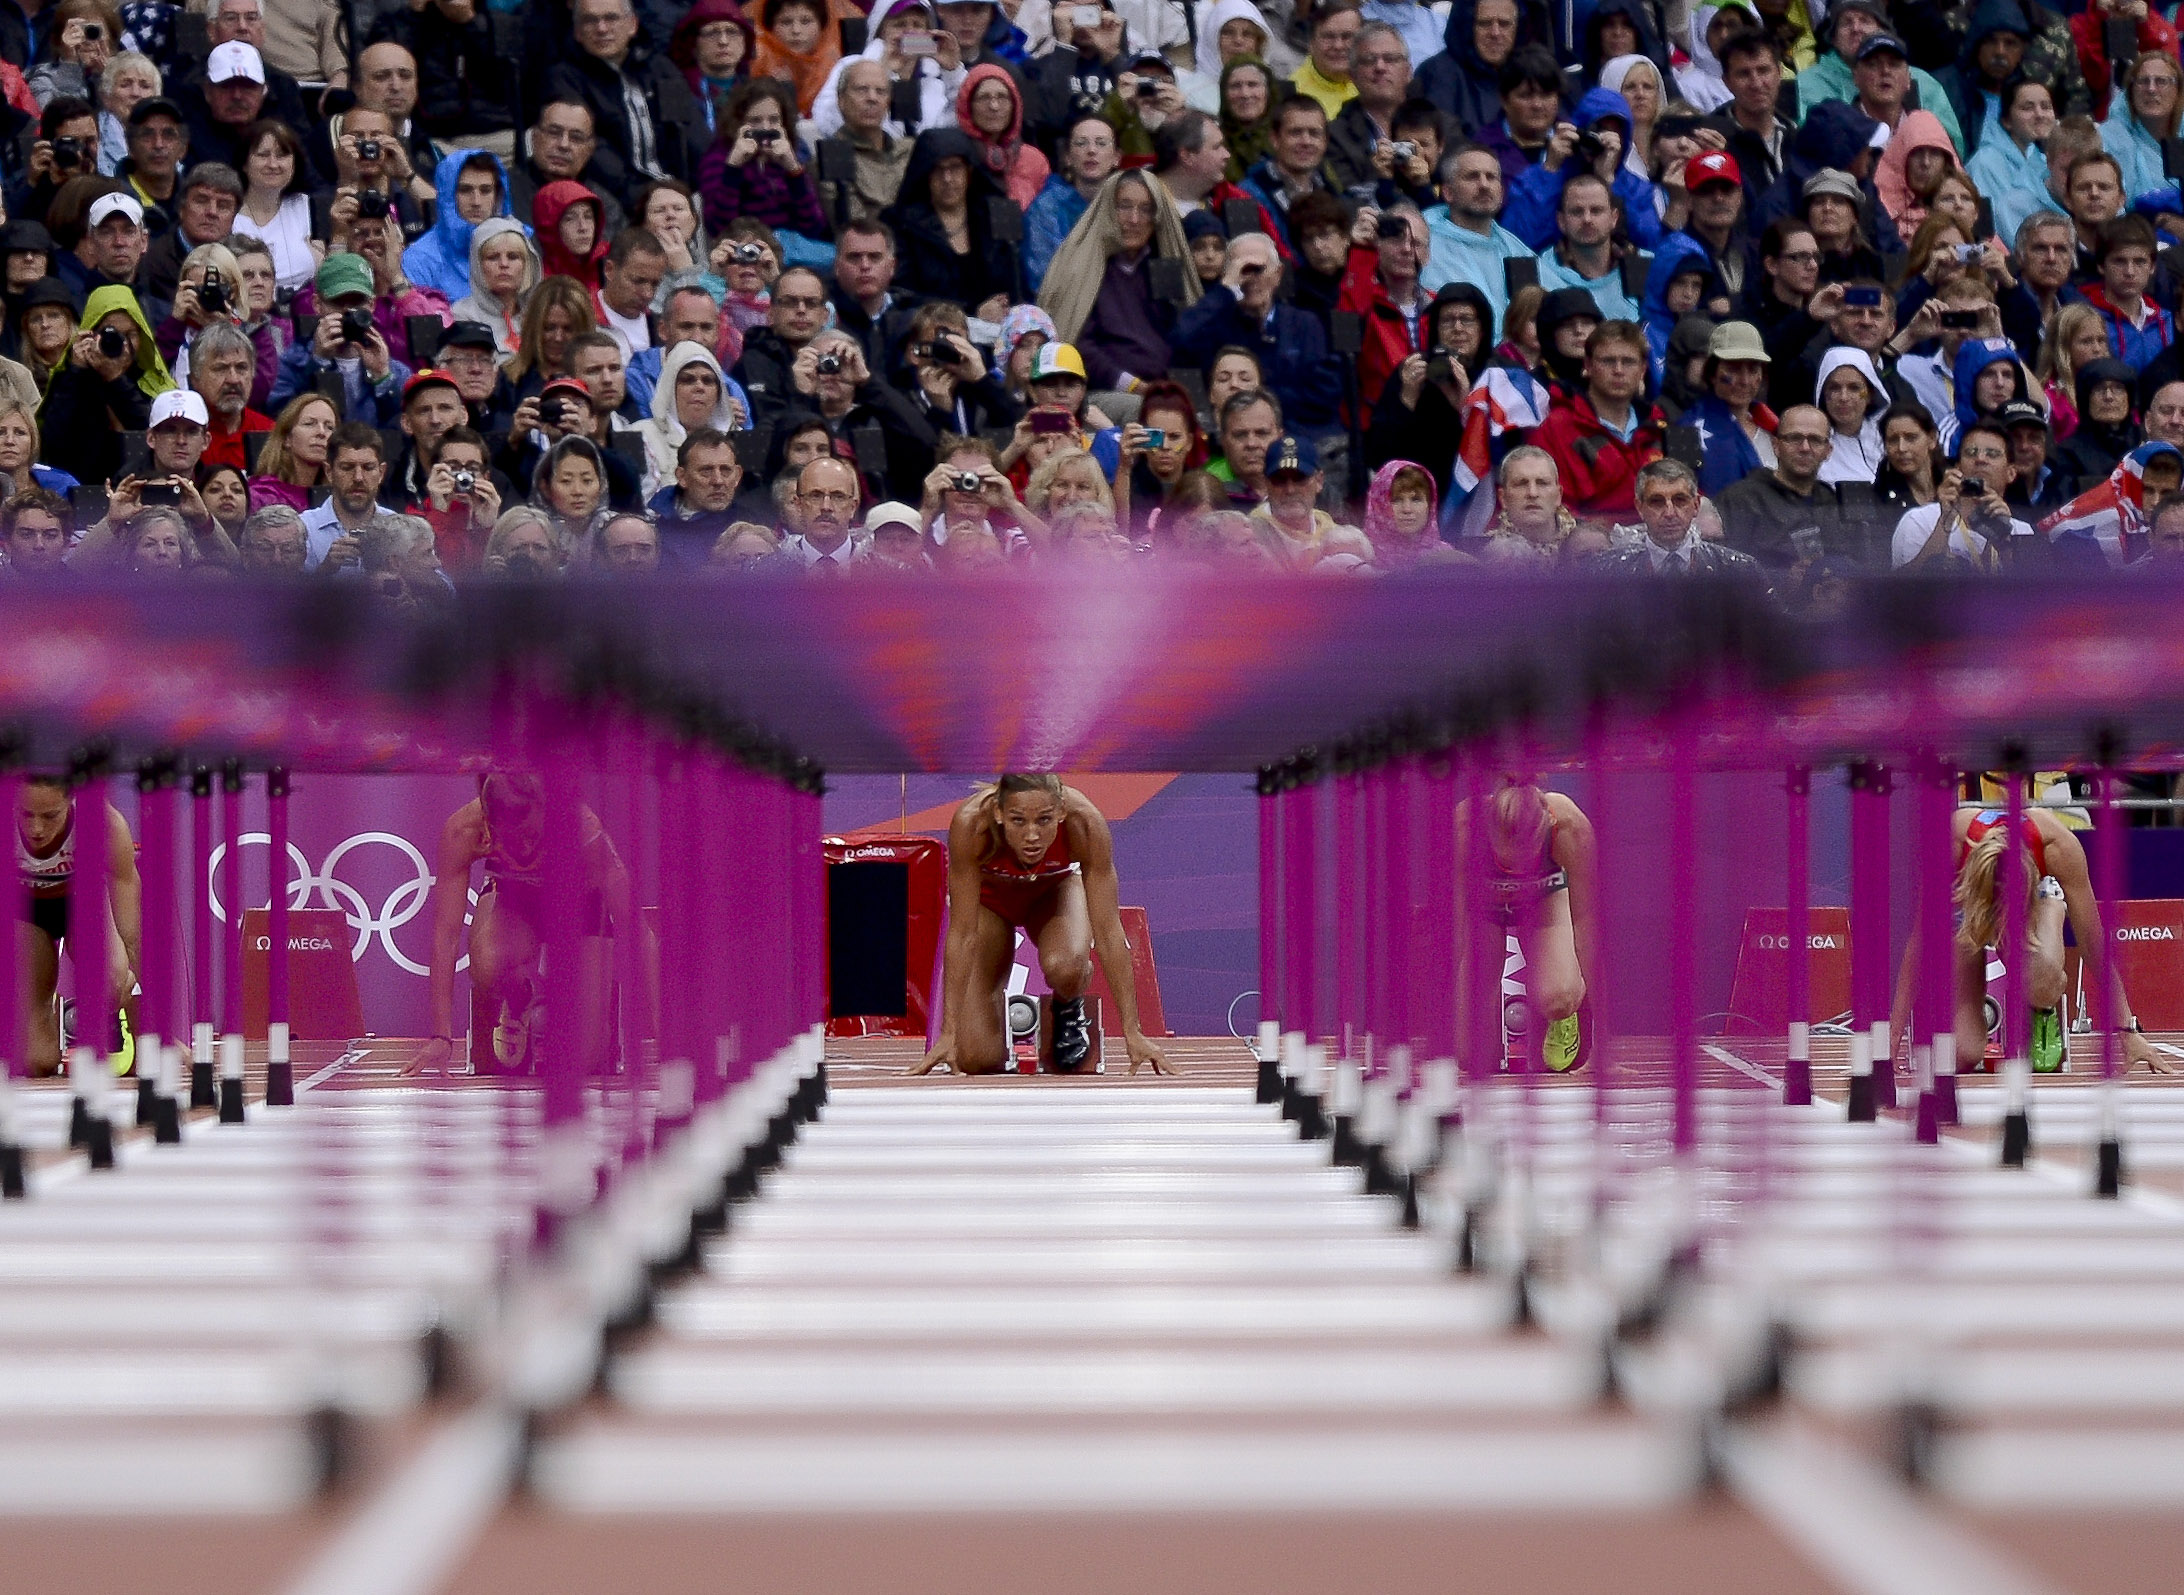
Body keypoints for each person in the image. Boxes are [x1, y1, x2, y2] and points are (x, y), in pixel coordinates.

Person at [912, 773, 1173, 1077]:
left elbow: (1109, 933)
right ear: (998, 812)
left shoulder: (1084, 823)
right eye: (1018, 821)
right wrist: (948, 1033)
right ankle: (986, 1031)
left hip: (1053, 893)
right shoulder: (972, 824)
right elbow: (962, 935)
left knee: (1068, 966)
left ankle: (1067, 1007)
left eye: (1044, 820)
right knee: (974, 1059)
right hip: (991, 903)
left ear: (1061, 811)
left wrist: (1132, 1031)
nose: (1032, 835)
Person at [1890, 801, 2164, 1079]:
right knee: (1962, 1053)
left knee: (2039, 983)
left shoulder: (2059, 847)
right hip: (1967, 906)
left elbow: (2093, 945)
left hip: (2036, 903)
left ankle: (2051, 920)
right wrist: (1892, 1038)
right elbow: (1919, 944)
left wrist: (2127, 1030)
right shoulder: (1950, 843)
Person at [410, 768, 650, 1076]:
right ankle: (521, 996)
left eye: (531, 836)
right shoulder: (465, 830)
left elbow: (638, 929)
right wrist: (441, 1036)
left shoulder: (582, 828)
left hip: (580, 906)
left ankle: (586, 1007)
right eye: (512, 840)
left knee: (585, 1059)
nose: (524, 849)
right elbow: (446, 934)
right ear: (489, 823)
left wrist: (669, 1040)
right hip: (516, 902)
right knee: (489, 963)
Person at [1453, 779, 1595, 1072]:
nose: (1517, 871)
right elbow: (1453, 927)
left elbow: (1586, 929)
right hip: (1484, 908)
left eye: (1526, 860)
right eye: (1509, 862)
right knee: (1468, 1055)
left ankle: (1566, 1012)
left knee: (1558, 997)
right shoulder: (1465, 827)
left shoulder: (1568, 827)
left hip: (1543, 900)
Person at [15, 774, 140, 1077]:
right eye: (26, 815)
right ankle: (46, 1012)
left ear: (71, 800)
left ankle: (118, 1011)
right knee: (37, 1061)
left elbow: (132, 933)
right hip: (23, 911)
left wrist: (154, 1018)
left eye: (50, 816)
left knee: (112, 975)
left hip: (81, 903)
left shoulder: (104, 824)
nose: (37, 829)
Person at [1038, 167, 1196, 398]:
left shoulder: (1163, 266)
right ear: (1108, 209)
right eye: (1124, 206)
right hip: (1102, 392)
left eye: (1146, 209)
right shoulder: (1083, 268)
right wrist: (1134, 386)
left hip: (1166, 391)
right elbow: (1080, 344)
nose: (1134, 220)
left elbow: (1182, 336)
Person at [1529, 319, 1664, 523]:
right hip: (1585, 536)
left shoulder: (1660, 426)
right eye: (1608, 361)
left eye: (1628, 362)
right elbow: (1552, 509)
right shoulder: (1556, 429)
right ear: (1588, 366)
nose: (1618, 370)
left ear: (1643, 369)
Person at [881, 126, 1016, 317]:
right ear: (925, 174)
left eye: (955, 167)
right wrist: (971, 312)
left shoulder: (997, 215)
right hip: (930, 327)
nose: (947, 178)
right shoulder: (899, 224)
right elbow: (901, 296)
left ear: (969, 170)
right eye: (938, 169)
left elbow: (1017, 285)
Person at [696, 77, 828, 243]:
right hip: (745, 248)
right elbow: (719, 228)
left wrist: (794, 171)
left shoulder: (789, 155)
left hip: (793, 250)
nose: (765, 128)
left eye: (774, 120)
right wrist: (733, 167)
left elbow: (814, 226)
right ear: (738, 122)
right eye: (755, 121)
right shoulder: (717, 158)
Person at [1591, 455, 1766, 575]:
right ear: (1639, 507)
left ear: (1696, 505)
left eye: (1680, 500)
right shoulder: (1605, 573)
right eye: (1657, 502)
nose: (1670, 513)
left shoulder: (1740, 571)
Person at [1890, 416, 2024, 568]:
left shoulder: (2020, 531)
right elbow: (1907, 582)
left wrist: (2004, 541)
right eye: (1971, 452)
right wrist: (1945, 522)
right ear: (1958, 467)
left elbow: (2029, 582)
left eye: (1992, 454)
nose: (1980, 459)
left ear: (2011, 473)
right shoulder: (1919, 520)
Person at [1417, 0, 1523, 138]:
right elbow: (1444, 140)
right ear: (1467, 26)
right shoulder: (1439, 73)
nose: (1495, 33)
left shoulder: (1526, 71)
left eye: (1504, 24)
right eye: (1484, 23)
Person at [1816, 346, 1886, 484]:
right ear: (1823, 394)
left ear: (1870, 394)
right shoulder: (1815, 447)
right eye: (1834, 388)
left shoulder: (1889, 437)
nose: (1844, 397)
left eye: (1854, 388)